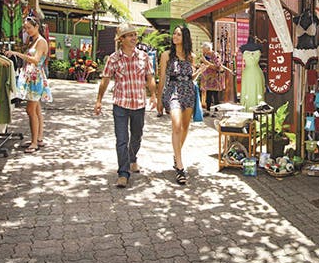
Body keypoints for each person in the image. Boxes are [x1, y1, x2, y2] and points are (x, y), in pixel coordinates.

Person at [94, 24, 158, 189]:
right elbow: (105, 80)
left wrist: (155, 96)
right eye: (129, 35)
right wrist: (99, 100)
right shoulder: (113, 59)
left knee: (136, 136)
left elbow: (149, 78)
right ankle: (123, 173)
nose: (133, 38)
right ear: (121, 39)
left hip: (139, 104)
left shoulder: (144, 57)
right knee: (122, 139)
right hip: (120, 104)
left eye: (134, 35)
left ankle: (132, 157)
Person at [157, 26, 206, 185]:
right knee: (176, 126)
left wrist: (200, 72)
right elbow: (163, 78)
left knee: (185, 127)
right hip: (173, 92)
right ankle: (179, 167)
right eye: (174, 33)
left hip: (188, 92)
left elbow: (190, 77)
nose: (175, 36)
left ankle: (176, 154)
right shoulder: (166, 55)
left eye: (179, 34)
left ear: (185, 37)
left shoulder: (190, 56)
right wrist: (159, 99)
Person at [6, 16, 52, 153]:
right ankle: (38, 138)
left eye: (29, 28)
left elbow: (36, 60)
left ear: (36, 26)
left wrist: (17, 54)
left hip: (35, 79)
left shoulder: (41, 42)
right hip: (31, 78)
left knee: (30, 110)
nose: (27, 31)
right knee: (36, 110)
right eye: (25, 28)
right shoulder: (34, 41)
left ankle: (34, 143)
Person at [198, 41, 224, 113]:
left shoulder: (215, 55)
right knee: (208, 94)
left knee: (215, 95)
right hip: (207, 79)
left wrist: (206, 62)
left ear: (208, 48)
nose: (202, 50)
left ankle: (216, 111)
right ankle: (208, 110)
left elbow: (217, 67)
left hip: (214, 79)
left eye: (203, 49)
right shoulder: (205, 54)